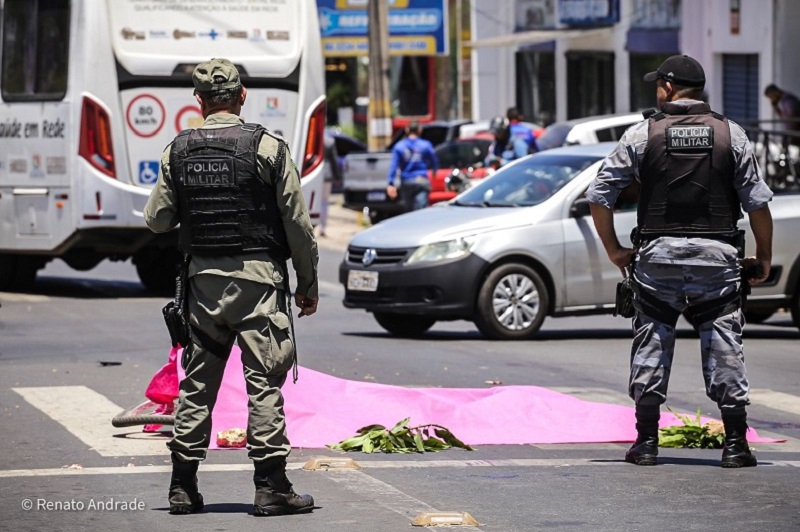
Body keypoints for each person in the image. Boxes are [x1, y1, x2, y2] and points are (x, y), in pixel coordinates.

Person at [143, 58, 319, 515]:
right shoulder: (268, 148)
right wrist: (309, 284)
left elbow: (157, 220)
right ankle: (271, 488)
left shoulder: (176, 151)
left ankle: (182, 487)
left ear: (198, 102)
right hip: (260, 284)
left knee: (197, 384)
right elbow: (297, 225)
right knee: (263, 383)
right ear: (243, 96)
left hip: (203, 287)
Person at [586, 55, 774, 468]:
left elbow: (599, 195)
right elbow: (757, 204)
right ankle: (736, 446)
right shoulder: (731, 134)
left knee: (651, 344)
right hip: (718, 261)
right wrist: (764, 257)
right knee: (725, 348)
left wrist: (615, 251)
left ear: (669, 88)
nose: (656, 90)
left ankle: (647, 443)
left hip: (658, 261)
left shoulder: (642, 134)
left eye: (659, 84)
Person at [386, 121, 438, 212]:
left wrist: (391, 183)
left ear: (407, 130)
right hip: (421, 180)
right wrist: (434, 172)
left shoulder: (399, 146)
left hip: (407, 180)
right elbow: (434, 161)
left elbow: (394, 166)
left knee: (409, 210)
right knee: (421, 210)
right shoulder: (425, 145)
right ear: (419, 130)